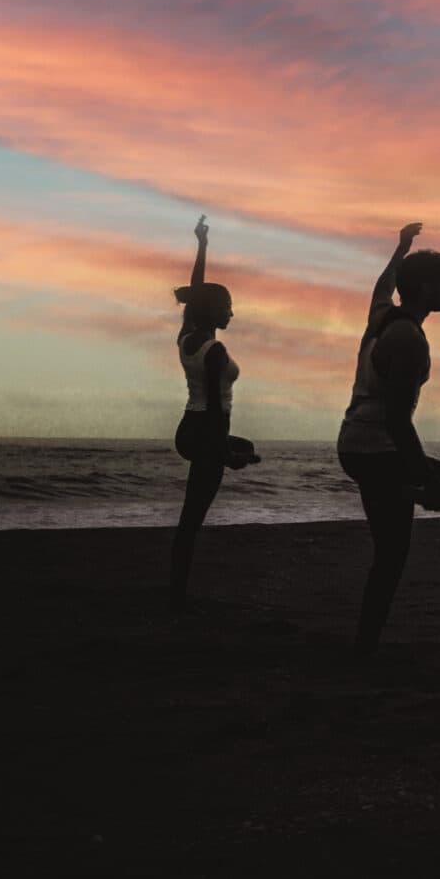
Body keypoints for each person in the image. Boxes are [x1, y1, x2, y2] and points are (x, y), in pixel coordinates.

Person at [336, 222, 440, 655]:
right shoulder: (408, 338)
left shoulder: (381, 316)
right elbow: (397, 422)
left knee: (390, 546)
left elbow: (383, 283)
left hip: (353, 444)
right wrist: (426, 480)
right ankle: (364, 649)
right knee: (395, 553)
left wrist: (400, 249)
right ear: (425, 288)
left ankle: (408, 488)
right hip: (377, 449)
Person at [170, 214, 259, 610]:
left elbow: (196, 289)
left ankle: (176, 585)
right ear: (214, 312)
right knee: (193, 518)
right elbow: (217, 411)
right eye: (228, 306)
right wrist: (225, 453)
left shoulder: (187, 335)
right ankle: (176, 592)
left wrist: (202, 244)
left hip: (189, 427)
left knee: (246, 448)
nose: (232, 313)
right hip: (205, 429)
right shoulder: (215, 351)